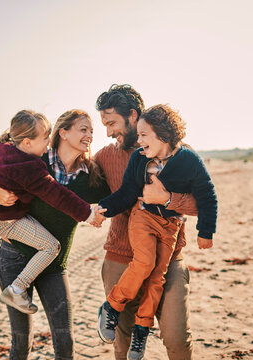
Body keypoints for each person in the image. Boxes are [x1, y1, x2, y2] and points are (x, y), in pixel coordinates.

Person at [0, 110, 110, 360]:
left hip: (54, 266)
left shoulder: (90, 178)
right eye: (83, 129)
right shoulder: (34, 158)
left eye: (92, 131)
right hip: (14, 258)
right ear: (63, 132)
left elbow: (113, 197)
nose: (90, 135)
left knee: (65, 340)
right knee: (21, 342)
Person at [94, 104, 217, 359]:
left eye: (111, 123)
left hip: (170, 238)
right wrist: (99, 209)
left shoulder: (187, 157)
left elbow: (206, 197)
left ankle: (143, 328)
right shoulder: (124, 157)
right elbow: (126, 193)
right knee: (121, 344)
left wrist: (169, 200)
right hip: (130, 239)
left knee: (173, 327)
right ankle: (113, 308)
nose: (107, 132)